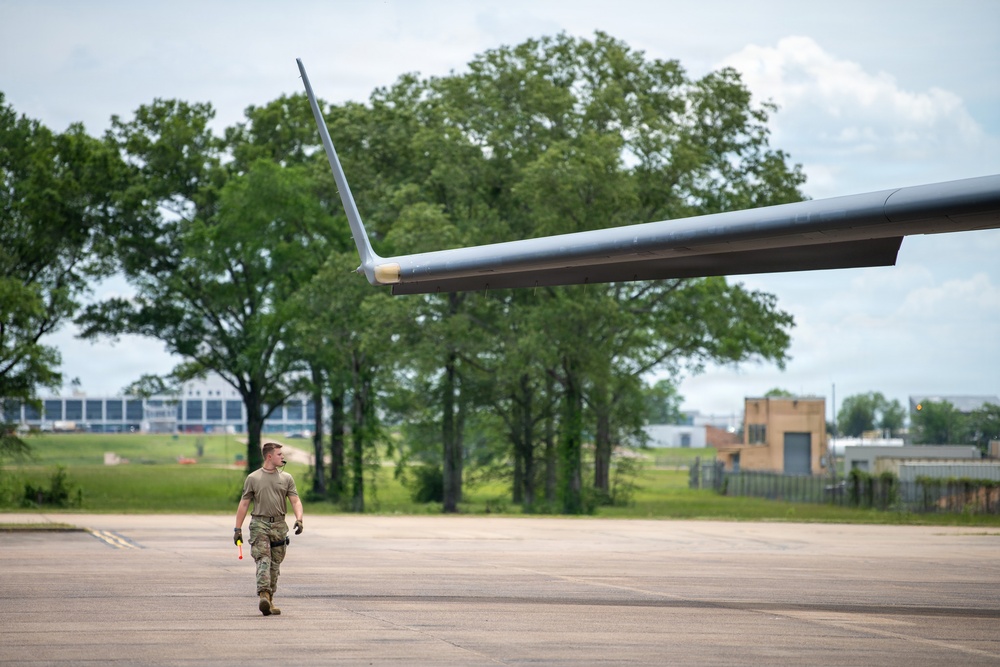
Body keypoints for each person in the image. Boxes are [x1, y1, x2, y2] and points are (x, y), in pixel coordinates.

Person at [234, 441, 304, 616]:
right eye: (279, 454)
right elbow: (244, 504)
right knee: (263, 559)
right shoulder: (253, 478)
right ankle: (263, 594)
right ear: (269, 456)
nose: (283, 457)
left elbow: (295, 500)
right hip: (260, 523)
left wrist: (299, 519)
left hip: (279, 525)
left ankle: (269, 599)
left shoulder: (286, 478)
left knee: (275, 564)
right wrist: (237, 529)